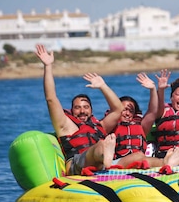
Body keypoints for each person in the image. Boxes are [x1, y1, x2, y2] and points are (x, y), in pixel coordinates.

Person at [35, 44, 123, 175]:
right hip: (76, 165)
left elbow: (118, 110)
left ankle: (163, 163)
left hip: (101, 158)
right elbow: (51, 98)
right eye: (77, 108)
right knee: (100, 145)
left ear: (91, 111)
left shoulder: (100, 126)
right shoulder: (65, 126)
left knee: (136, 156)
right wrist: (48, 66)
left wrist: (103, 86)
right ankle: (106, 158)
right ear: (71, 111)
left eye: (86, 107)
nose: (82, 111)